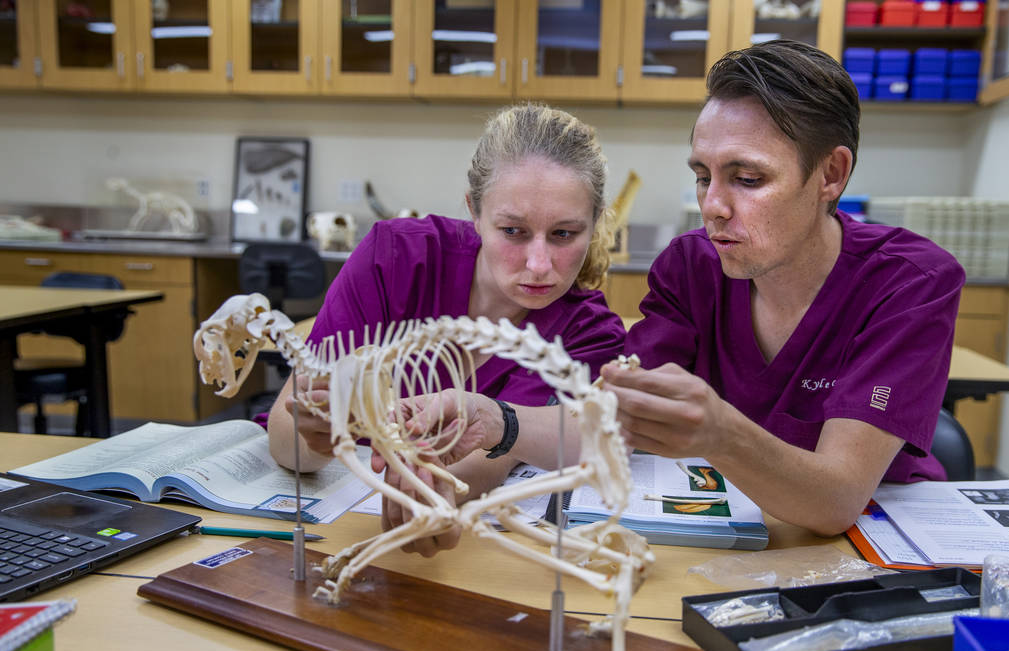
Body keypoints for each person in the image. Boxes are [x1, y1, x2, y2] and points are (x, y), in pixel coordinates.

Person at [598, 39, 966, 536]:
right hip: (732, 530)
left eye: (747, 178)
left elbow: (837, 500)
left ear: (830, 175)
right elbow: (613, 422)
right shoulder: (690, 266)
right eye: (704, 177)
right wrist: (501, 423)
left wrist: (720, 431)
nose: (713, 206)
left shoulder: (909, 283)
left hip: (870, 542)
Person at [266, 103, 625, 554]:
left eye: (564, 234)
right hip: (328, 529)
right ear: (474, 210)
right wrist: (316, 439)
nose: (539, 265)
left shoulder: (588, 333)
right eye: (513, 231)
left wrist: (434, 491)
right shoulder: (393, 258)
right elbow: (285, 436)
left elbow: (489, 459)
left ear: (593, 225)